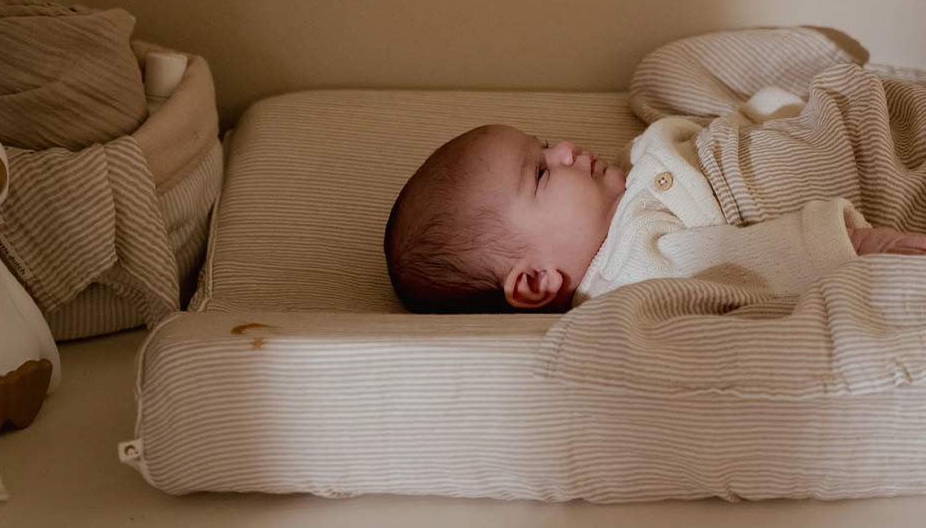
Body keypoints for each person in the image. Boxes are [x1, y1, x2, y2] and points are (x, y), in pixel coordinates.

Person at [383, 87, 926, 313]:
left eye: (546, 145)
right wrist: (864, 243)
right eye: (543, 173)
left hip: (848, 119)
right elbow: (750, 262)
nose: (567, 149)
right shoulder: (634, 270)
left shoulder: (622, 183)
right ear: (535, 282)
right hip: (856, 172)